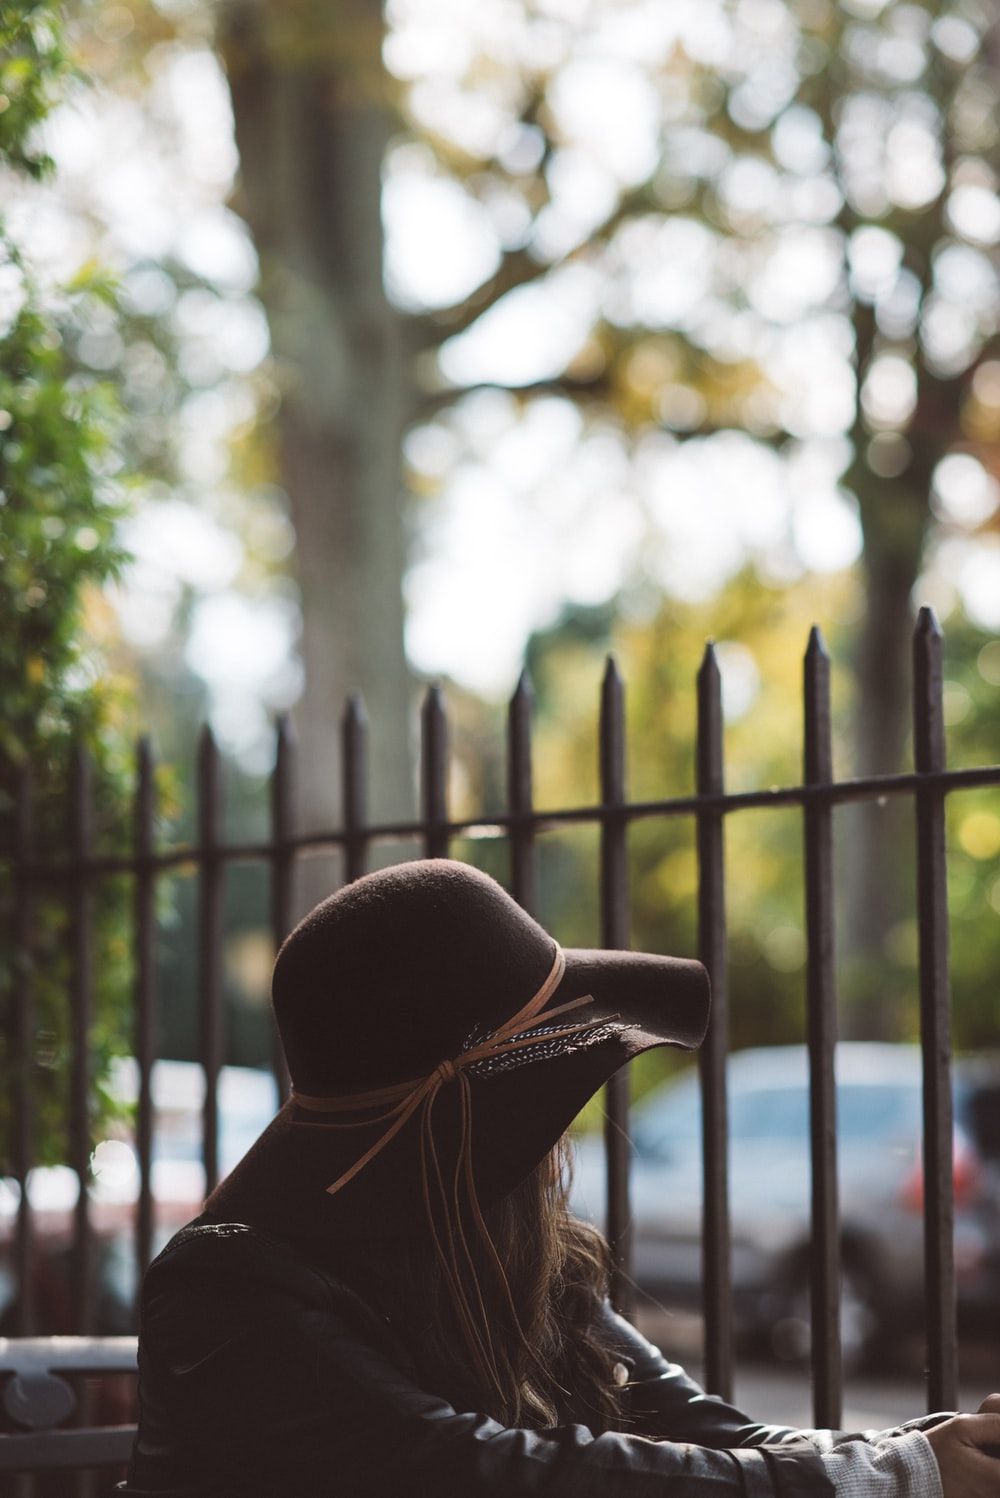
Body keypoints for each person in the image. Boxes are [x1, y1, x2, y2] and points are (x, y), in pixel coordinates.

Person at [122, 859, 1000, 1498]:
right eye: (546, 1092)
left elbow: (714, 1438)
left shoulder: (517, 1260)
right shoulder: (222, 1289)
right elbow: (474, 1471)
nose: (558, 1136)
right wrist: (896, 1475)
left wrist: (934, 1450)